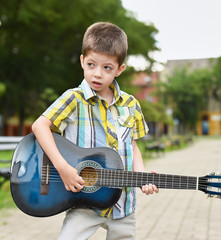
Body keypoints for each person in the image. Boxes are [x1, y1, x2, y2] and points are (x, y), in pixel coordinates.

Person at [32, 22, 158, 240]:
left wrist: (142, 175)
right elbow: (39, 126)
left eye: (107, 68)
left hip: (123, 205)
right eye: (91, 64)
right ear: (82, 61)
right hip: (84, 202)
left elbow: (133, 145)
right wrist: (63, 168)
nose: (97, 74)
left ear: (120, 69)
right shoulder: (74, 98)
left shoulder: (131, 104)